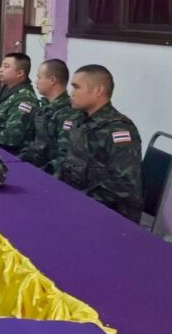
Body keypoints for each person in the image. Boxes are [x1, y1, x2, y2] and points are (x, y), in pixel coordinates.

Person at [60, 64, 144, 222]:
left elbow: (123, 185)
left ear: (98, 91)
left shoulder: (118, 130)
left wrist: (75, 200)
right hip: (80, 202)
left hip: (111, 214)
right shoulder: (81, 120)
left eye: (77, 87)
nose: (71, 93)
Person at [20, 59, 81, 176]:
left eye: (39, 77)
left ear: (53, 80)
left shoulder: (68, 113)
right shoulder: (45, 107)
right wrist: (17, 161)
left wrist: (38, 173)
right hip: (35, 168)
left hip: (50, 176)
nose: (36, 81)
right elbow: (36, 145)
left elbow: (64, 157)